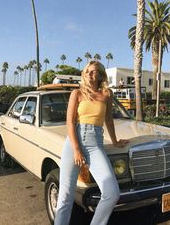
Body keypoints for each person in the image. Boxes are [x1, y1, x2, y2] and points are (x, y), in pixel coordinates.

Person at [54, 60, 129, 225]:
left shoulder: (107, 94)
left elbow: (108, 119)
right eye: (87, 71)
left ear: (100, 75)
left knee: (112, 193)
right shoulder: (77, 93)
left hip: (95, 144)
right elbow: (70, 122)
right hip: (74, 141)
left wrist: (115, 141)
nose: (89, 74)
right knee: (65, 195)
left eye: (94, 72)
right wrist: (76, 149)